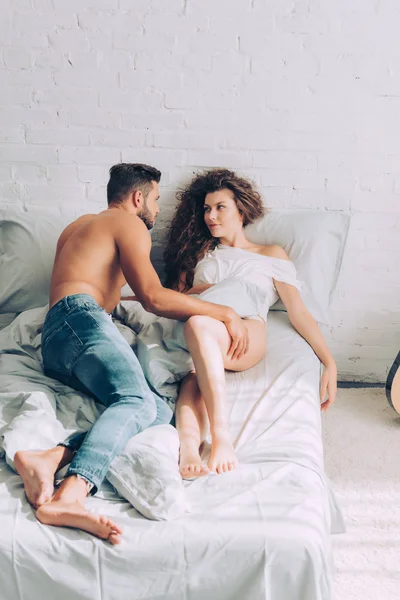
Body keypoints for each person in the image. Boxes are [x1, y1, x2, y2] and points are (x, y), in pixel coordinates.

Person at [13, 163, 249, 545]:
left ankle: (52, 456)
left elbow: (112, 291)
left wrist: (191, 297)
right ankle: (71, 494)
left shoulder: (79, 227)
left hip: (57, 341)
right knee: (137, 399)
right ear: (138, 198)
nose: (156, 210)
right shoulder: (129, 224)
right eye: (155, 200)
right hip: (82, 322)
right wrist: (224, 312)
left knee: (155, 410)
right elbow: (153, 299)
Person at [163, 168, 338, 479]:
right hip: (203, 329)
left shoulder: (269, 254)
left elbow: (298, 312)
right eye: (206, 209)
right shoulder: (200, 255)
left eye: (220, 207)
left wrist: (329, 362)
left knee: (200, 327)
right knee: (194, 357)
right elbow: (174, 301)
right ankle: (189, 449)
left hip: (245, 331)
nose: (211, 216)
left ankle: (221, 437)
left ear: (240, 210)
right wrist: (198, 292)